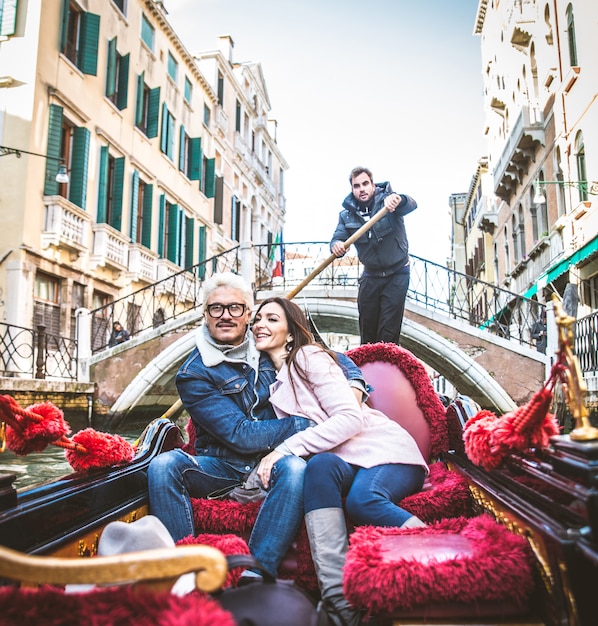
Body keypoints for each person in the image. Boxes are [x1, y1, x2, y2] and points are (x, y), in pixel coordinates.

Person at [147, 272, 366, 582]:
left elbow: (336, 360)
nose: (226, 316)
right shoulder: (193, 374)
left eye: (235, 308)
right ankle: (184, 570)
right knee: (163, 465)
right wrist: (304, 424)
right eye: (216, 309)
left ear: (248, 314)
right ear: (205, 314)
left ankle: (256, 569)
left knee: (294, 470)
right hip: (223, 466)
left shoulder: (266, 339)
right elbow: (240, 434)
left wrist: (354, 387)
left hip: (279, 461)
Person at [252, 297, 427, 626]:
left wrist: (283, 449)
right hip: (345, 459)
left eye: (272, 319)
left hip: (386, 451)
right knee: (319, 467)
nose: (260, 324)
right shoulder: (275, 382)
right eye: (258, 319)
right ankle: (338, 601)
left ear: (291, 333)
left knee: (363, 501)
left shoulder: (308, 356)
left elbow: (350, 419)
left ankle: (435, 552)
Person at [330, 166, 417, 346]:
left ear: (372, 184)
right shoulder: (346, 216)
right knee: (367, 332)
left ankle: (385, 370)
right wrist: (336, 246)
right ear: (352, 189)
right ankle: (366, 372)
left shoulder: (389, 201)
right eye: (356, 186)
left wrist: (398, 200)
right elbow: (337, 238)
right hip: (371, 276)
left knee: (388, 333)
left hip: (397, 274)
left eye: (365, 184)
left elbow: (411, 204)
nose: (361, 189)